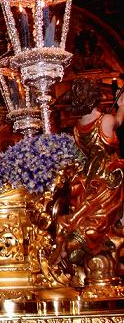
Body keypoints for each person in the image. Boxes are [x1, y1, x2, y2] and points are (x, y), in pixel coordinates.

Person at [51, 78, 124, 285]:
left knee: (92, 215)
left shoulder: (77, 127)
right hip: (108, 180)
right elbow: (119, 120)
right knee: (103, 217)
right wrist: (122, 106)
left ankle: (78, 248)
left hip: (89, 179)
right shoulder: (106, 121)